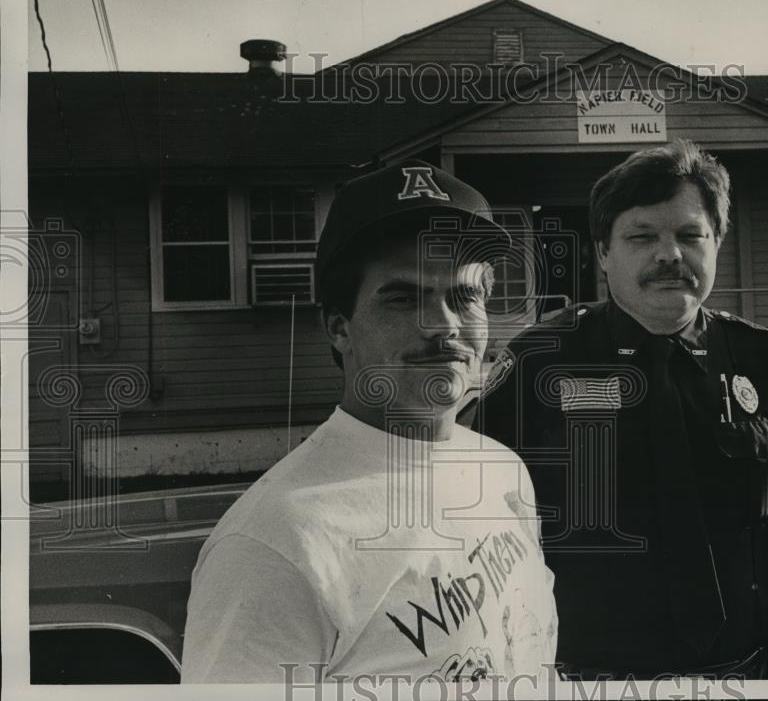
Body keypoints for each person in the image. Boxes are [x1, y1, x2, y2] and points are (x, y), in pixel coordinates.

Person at [472, 140, 768, 680]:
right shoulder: (538, 364)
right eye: (641, 236)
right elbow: (477, 547)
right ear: (603, 252)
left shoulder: (761, 361)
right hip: (591, 685)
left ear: (717, 244)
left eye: (689, 235)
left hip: (745, 678)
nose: (670, 255)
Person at [182, 163, 557, 684]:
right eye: (404, 298)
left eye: (465, 296)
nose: (444, 325)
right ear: (338, 327)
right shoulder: (275, 545)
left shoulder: (500, 469)